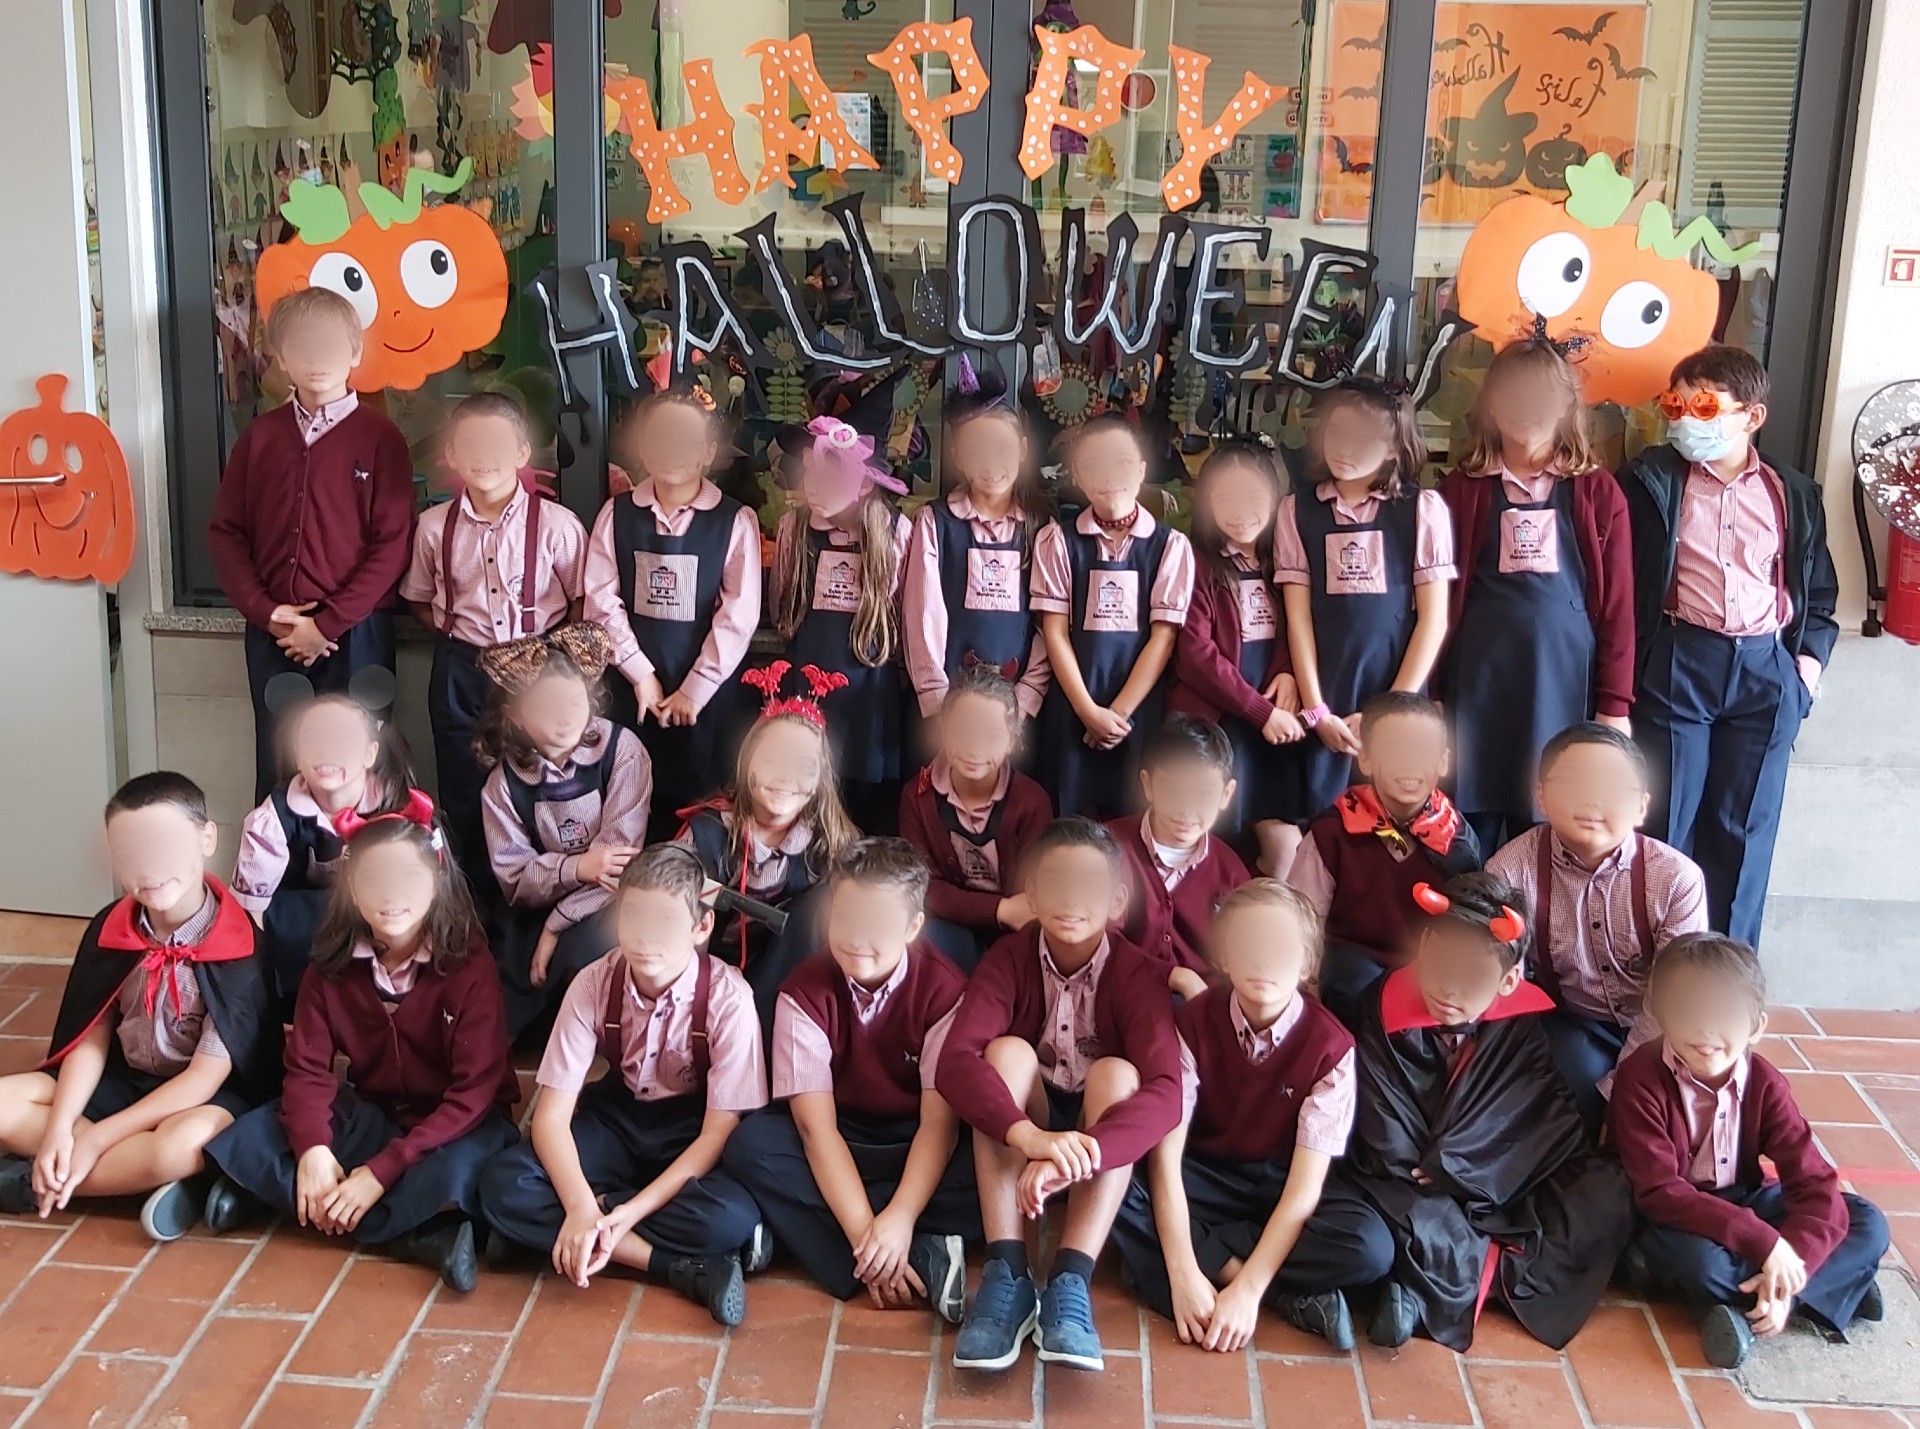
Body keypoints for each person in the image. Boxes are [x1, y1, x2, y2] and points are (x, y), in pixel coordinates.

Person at [204, 799, 520, 1292]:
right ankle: (421, 1235)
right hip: (376, 1111)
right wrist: (313, 1150)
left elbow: (472, 1096)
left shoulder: (468, 965)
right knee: (257, 1129)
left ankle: (277, 1200)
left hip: (456, 1125)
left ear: (437, 881)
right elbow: (308, 1070)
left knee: (468, 1172)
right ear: (351, 889)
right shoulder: (330, 964)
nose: (391, 895)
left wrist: (378, 1173)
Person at [1343, 872, 1633, 1352]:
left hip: (1491, 1181)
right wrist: (1444, 1171)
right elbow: (1382, 1132)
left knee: (1605, 1190)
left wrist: (1462, 1167)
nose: (1449, 988)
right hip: (1415, 1186)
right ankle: (1489, 1277)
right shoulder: (1381, 1008)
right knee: (1402, 1216)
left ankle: (1441, 1287)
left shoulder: (1518, 1022)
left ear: (1509, 980)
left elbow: (1542, 1122)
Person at [478, 846, 767, 1325]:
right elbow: (551, 1117)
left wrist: (625, 1211)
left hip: (689, 1131)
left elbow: (717, 1134)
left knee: (730, 1216)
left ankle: (571, 1227)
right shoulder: (593, 983)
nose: (645, 935)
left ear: (701, 927)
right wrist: (579, 1208)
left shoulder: (729, 999)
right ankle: (674, 1267)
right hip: (617, 1119)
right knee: (503, 1183)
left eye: (665, 920)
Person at [935, 818, 1183, 1374]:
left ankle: (1072, 1277)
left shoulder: (1139, 974)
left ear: (1117, 901)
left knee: (1119, 1075)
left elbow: (1168, 1093)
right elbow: (955, 1062)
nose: (1072, 898)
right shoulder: (1008, 958)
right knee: (1004, 1055)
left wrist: (1076, 1156)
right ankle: (1008, 1271)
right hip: (1032, 1119)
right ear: (1032, 894)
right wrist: (1031, 1137)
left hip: (1097, 1134)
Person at [1615, 345, 1839, 943]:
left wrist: (1804, 674)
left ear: (1752, 416)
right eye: (1676, 405)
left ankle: (1729, 978)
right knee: (1666, 821)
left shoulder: (1792, 492)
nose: (1687, 419)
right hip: (1679, 659)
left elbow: (1819, 593)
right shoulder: (1649, 480)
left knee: (1745, 832)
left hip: (1766, 668)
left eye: (1706, 407)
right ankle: (1659, 972)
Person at [1109, 881, 1390, 1352]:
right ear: (1223, 956)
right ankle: (1281, 1294)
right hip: (1206, 1175)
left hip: (1279, 1183)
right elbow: (1167, 1159)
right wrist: (1183, 1273)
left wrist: (1248, 1290)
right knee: (1114, 1186)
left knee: (1369, 1246)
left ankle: (1210, 1275)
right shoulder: (1191, 1022)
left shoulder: (1332, 1047)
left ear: (1307, 964)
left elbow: (1303, 1191)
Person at [0, 774, 279, 1241]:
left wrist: (96, 1138)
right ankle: (125, 1176)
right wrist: (61, 1129)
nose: (149, 868)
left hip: (202, 1097)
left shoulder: (239, 951)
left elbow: (204, 1078)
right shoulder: (111, 928)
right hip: (124, 1078)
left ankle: (28, 1182)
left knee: (183, 1144)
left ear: (206, 839)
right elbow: (90, 1038)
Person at [722, 839, 980, 1319]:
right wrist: (868, 1230)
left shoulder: (945, 989)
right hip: (840, 1134)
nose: (857, 936)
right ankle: (905, 1255)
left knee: (992, 1163)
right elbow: (816, 1131)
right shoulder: (803, 992)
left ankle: (818, 1235)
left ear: (912, 927)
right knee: (750, 1146)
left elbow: (938, 1128)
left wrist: (900, 1215)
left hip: (914, 1137)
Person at [1611, 935, 1889, 1368]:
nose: (1704, 1028)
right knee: (1697, 1264)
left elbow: (1813, 1182)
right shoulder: (1640, 1078)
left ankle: (1772, 1302)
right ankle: (1833, 1287)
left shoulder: (1766, 1084)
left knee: (1868, 1222)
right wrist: (1767, 1245)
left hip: (1746, 1200)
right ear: (1660, 1013)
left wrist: (1793, 1257)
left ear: (1756, 1026)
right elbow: (1660, 1192)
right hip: (1675, 1217)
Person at [206, 286, 415, 802]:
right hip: (275, 632)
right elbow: (226, 532)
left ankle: (364, 854)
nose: (317, 359)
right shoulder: (259, 439)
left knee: (364, 764)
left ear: (355, 353)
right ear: (281, 358)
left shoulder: (381, 438)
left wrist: (327, 623)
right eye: (302, 346)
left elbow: (392, 544)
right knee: (281, 763)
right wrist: (266, 610)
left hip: (357, 632)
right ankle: (279, 854)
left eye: (330, 346)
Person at [1439, 339, 1635, 852]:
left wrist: (1614, 704)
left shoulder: (1597, 492)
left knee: (1551, 821)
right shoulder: (1461, 489)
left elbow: (1619, 608)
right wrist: (1432, 692)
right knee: (1467, 831)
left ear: (1566, 406)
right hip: (1477, 684)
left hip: (1561, 682)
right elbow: (1436, 600)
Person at [400, 391, 586, 898]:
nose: (484, 455)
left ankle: (537, 897)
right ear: (451, 455)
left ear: (523, 452)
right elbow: (418, 598)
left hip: (537, 666)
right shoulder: (433, 527)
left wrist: (551, 658)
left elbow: (581, 600)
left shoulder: (557, 525)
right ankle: (475, 905)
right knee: (463, 786)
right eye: (471, 444)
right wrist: (455, 635)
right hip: (462, 668)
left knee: (539, 779)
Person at [1488, 722, 1708, 1131]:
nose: (1591, 798)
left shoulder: (1677, 879)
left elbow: (1678, 997)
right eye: (1574, 782)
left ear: (1641, 806)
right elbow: (1502, 976)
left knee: (1679, 1108)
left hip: (1665, 1022)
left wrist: (1623, 1088)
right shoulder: (1510, 870)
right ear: (1541, 795)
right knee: (1569, 1094)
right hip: (1575, 1021)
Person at [1276, 378, 1455, 820]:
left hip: (1396, 684)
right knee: (1324, 819)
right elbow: (1298, 619)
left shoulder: (1421, 509)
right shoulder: (1296, 511)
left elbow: (1433, 620)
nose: (1344, 448)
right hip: (1327, 689)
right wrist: (1317, 711)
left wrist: (1389, 713)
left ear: (1393, 449)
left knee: (1395, 815)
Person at [585, 387, 762, 818]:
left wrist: (695, 689)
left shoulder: (735, 521)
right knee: (627, 799)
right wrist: (640, 673)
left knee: (702, 806)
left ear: (709, 452)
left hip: (707, 696)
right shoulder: (617, 513)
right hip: (631, 687)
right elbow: (601, 600)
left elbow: (738, 615)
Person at [475, 623, 651, 1039]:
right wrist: (575, 868)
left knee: (585, 956)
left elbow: (617, 867)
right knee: (503, 988)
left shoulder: (622, 751)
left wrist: (558, 922)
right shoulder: (501, 786)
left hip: (608, 899)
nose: (565, 717)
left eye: (574, 702)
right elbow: (516, 880)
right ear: (515, 715)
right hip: (535, 902)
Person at [677, 668, 859, 1035]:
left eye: (802, 765)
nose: (784, 775)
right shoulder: (706, 831)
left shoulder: (831, 841)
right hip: (708, 968)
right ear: (748, 762)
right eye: (773, 758)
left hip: (789, 977)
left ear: (819, 779)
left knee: (827, 904)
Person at [1033, 416, 1196, 819]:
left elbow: (1163, 638)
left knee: (1132, 818)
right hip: (1074, 703)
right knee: (1067, 818)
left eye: (1122, 462)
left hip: (1138, 708)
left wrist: (1118, 714)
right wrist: (1088, 712)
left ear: (1142, 470)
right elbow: (1055, 632)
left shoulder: (1170, 547)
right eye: (1094, 464)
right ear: (1078, 475)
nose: (1109, 475)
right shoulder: (1057, 541)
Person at [1288, 692, 1480, 1027]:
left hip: (1431, 964)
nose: (1409, 764)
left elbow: (1472, 924)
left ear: (1443, 762)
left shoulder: (1456, 836)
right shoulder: (1331, 832)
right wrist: (1309, 993)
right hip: (1354, 965)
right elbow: (1301, 922)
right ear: (1365, 759)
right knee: (1357, 991)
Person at [770, 415, 912, 834]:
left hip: (870, 692)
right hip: (806, 681)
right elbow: (780, 605)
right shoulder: (794, 528)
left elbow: (909, 610)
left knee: (863, 801)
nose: (812, 487)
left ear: (864, 484)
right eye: (807, 473)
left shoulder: (896, 532)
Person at [232, 693, 411, 1020]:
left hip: (375, 915)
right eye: (314, 739)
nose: (327, 750)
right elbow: (250, 911)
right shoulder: (273, 817)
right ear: (297, 753)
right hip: (298, 926)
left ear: (370, 753)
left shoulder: (397, 804)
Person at [1170, 437, 1305, 873]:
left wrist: (1287, 671)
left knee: (1287, 848)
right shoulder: (1196, 563)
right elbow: (1195, 655)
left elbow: (1302, 625)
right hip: (1220, 726)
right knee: (1210, 844)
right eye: (1224, 497)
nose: (1239, 510)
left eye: (1253, 496)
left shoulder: (1284, 561)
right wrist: (1260, 711)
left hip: (1274, 731)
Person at [901, 362, 1052, 729]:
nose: (990, 462)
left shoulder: (1041, 527)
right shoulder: (935, 523)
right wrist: (937, 702)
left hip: (1015, 710)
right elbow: (922, 617)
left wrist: (1026, 698)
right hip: (947, 707)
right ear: (956, 456)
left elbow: (1048, 624)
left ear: (1023, 450)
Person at [898, 665, 1053, 972]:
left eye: (992, 736)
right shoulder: (917, 796)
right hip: (947, 927)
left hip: (1017, 932)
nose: (975, 747)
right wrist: (1000, 909)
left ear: (1012, 741)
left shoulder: (1032, 802)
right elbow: (921, 886)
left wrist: (1011, 913)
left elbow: (1031, 899)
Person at [1107, 715, 1251, 999]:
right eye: (1171, 789)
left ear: (1226, 794)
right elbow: (1096, 941)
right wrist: (1174, 976)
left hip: (1202, 1003)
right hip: (1121, 995)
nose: (1186, 807)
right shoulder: (1106, 849)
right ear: (1148, 785)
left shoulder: (1232, 873)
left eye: (1204, 792)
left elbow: (1238, 959)